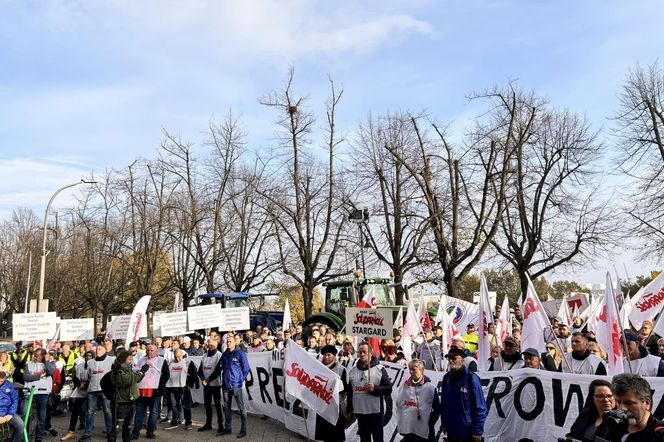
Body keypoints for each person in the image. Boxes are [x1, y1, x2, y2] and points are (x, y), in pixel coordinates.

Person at [347, 341, 393, 442]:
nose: (362, 354)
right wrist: (349, 410)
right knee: (364, 439)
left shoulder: (380, 369)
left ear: (371, 353)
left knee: (378, 439)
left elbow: (389, 388)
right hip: (360, 412)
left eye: (364, 352)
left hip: (375, 412)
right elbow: (350, 392)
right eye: (360, 352)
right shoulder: (353, 370)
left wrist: (375, 388)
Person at [440, 348, 488, 442]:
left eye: (453, 358)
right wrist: (444, 424)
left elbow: (480, 407)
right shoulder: (446, 378)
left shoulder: (471, 379)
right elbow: (444, 404)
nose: (450, 361)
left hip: (467, 431)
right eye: (449, 359)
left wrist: (477, 431)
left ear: (462, 360)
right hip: (451, 430)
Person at [600, 373, 664, 441]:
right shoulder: (614, 426)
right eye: (618, 402)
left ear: (647, 403)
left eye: (628, 403)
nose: (622, 408)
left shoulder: (660, 434)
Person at [131, 344, 169, 440]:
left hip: (155, 391)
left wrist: (160, 386)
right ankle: (135, 433)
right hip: (142, 391)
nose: (149, 352)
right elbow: (136, 372)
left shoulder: (161, 360)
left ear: (156, 351)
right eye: (148, 350)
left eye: (151, 350)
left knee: (154, 413)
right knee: (139, 413)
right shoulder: (142, 360)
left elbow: (166, 375)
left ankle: (150, 432)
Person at [396, 359, 439, 442]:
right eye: (410, 369)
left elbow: (437, 409)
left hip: (423, 431)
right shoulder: (404, 386)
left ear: (421, 370)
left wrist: (429, 422)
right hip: (409, 430)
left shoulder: (430, 388)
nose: (411, 372)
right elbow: (399, 405)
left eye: (414, 369)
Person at [314, 345, 350, 442]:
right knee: (325, 435)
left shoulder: (341, 369)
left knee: (336, 436)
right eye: (325, 355)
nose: (326, 357)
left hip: (336, 406)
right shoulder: (320, 369)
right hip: (323, 405)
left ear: (334, 356)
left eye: (329, 355)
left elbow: (346, 389)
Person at [218, 334, 251, 438]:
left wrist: (240, 379)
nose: (228, 343)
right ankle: (228, 429)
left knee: (241, 409)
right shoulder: (224, 355)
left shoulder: (240, 353)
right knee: (227, 408)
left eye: (230, 341)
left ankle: (244, 430)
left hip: (236, 386)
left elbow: (246, 368)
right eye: (227, 342)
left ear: (235, 342)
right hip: (226, 386)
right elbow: (219, 368)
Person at [112, 350, 148, 442]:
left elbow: (136, 378)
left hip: (130, 402)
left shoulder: (128, 369)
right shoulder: (118, 371)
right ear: (123, 359)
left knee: (128, 427)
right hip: (122, 403)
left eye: (131, 359)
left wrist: (141, 373)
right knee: (117, 428)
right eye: (129, 359)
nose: (131, 361)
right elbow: (130, 380)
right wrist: (142, 372)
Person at [80, 344, 115, 441]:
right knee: (90, 412)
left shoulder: (111, 360)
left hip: (105, 390)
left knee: (107, 411)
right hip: (92, 390)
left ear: (105, 350)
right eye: (97, 349)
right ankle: (87, 434)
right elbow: (88, 375)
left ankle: (110, 433)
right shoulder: (90, 362)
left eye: (100, 349)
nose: (98, 351)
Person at [22, 347, 55, 442]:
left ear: (43, 356)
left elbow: (50, 372)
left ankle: (39, 437)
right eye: (34, 355)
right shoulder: (29, 364)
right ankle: (24, 434)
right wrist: (39, 376)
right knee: (25, 414)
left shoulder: (50, 363)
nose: (35, 357)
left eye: (37, 356)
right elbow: (26, 376)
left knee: (41, 416)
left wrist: (47, 361)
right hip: (29, 392)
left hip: (43, 393)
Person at [60, 350, 93, 441]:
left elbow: (94, 378)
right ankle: (71, 431)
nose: (88, 357)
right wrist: (80, 384)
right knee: (75, 411)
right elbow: (75, 377)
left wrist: (85, 385)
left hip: (90, 390)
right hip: (80, 390)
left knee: (90, 412)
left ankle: (87, 432)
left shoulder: (94, 365)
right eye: (87, 355)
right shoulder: (80, 366)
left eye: (90, 355)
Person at [197, 338, 224, 435]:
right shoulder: (204, 355)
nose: (210, 346)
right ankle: (208, 424)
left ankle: (221, 425)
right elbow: (200, 370)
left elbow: (217, 371)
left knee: (218, 405)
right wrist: (203, 379)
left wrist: (207, 380)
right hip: (206, 385)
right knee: (207, 405)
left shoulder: (219, 355)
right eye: (209, 345)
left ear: (216, 345)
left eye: (212, 345)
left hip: (216, 385)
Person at [164, 349, 197, 430]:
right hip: (172, 387)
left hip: (183, 387)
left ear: (182, 355)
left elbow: (194, 374)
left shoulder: (188, 362)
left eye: (179, 356)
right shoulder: (171, 363)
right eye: (176, 357)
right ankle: (174, 421)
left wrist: (190, 384)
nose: (177, 358)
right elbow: (167, 374)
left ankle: (188, 422)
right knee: (173, 405)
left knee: (186, 406)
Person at [0, 368, 23, 442]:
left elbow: (15, 401)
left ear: (5, 379)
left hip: (8, 412)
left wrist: (9, 415)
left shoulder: (9, 385)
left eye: (1, 381)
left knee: (21, 425)